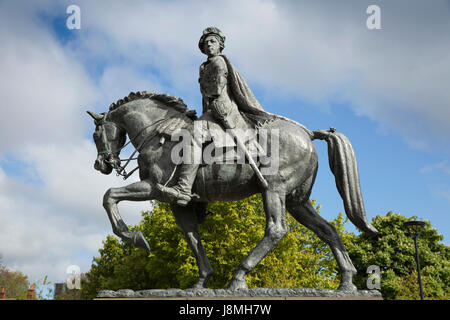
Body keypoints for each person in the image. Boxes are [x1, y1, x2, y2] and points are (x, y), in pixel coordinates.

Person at [158, 27, 273, 206]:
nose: (209, 45)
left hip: (224, 110)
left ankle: (184, 188)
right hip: (213, 110)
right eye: (206, 43)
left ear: (220, 45)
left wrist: (214, 110)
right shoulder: (204, 66)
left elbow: (216, 89)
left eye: (212, 41)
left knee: (192, 134)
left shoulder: (219, 62)